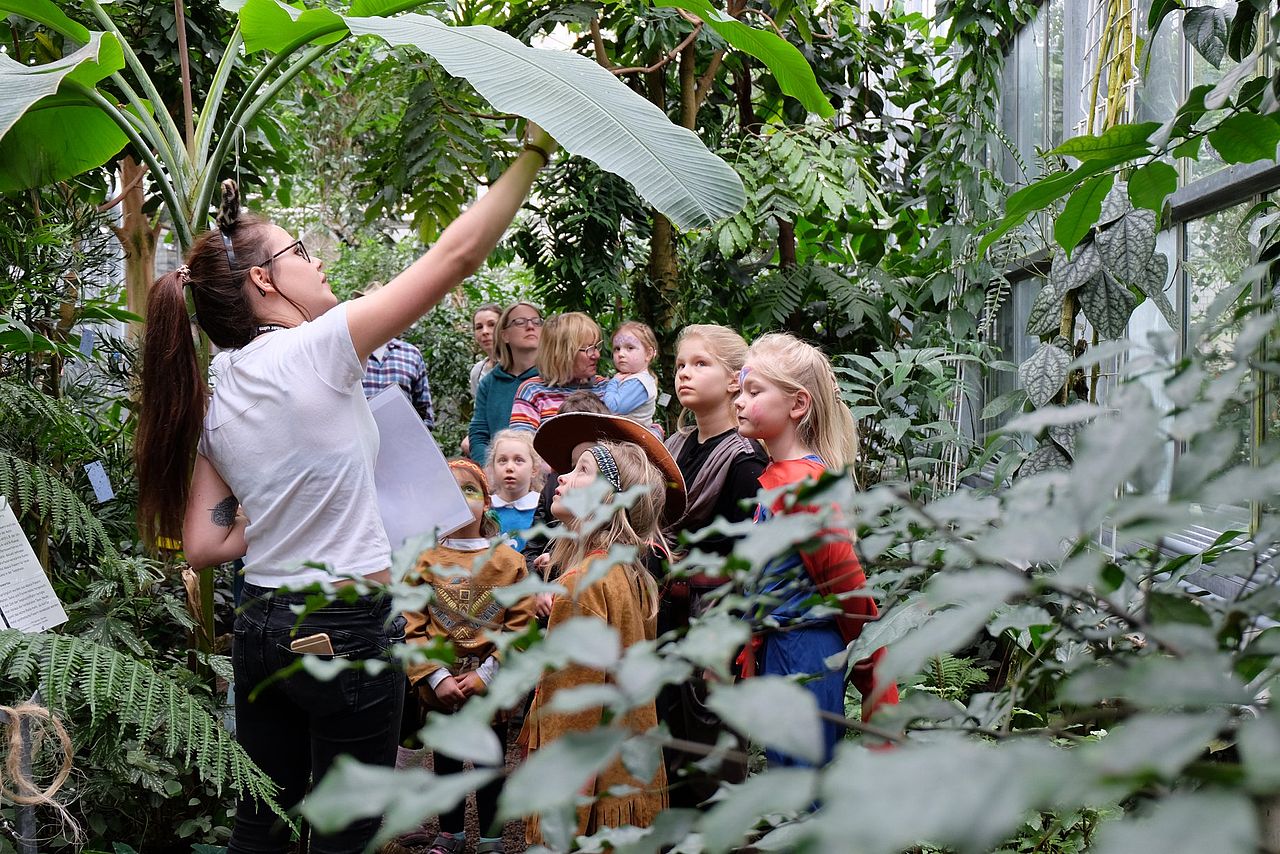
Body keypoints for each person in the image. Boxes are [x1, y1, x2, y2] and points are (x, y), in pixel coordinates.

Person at [134, 122, 557, 853]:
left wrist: (275, 507)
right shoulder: (316, 351)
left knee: (260, 825)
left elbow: (203, 544)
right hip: (347, 624)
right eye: (300, 251)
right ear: (264, 280)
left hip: (263, 625)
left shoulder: (218, 383)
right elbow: (458, 255)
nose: (318, 260)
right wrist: (534, 154)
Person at [734, 332, 898, 767]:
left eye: (754, 391)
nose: (739, 400)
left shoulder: (805, 488)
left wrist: (877, 681)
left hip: (807, 653)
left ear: (798, 404)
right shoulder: (781, 478)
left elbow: (849, 592)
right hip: (781, 651)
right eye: (740, 389)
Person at [521, 415, 686, 844]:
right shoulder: (627, 573)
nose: (563, 476)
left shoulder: (582, 584)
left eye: (583, 471)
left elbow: (575, 712)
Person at [399, 459, 535, 854]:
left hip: (489, 685)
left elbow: (521, 626)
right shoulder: (423, 562)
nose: (458, 500)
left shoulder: (509, 563)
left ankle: (492, 839)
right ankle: (450, 834)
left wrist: (488, 676)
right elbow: (412, 623)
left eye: (469, 490)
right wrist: (436, 677)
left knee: (491, 763)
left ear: (487, 502)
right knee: (445, 761)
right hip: (439, 685)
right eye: (447, 493)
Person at [658, 324, 767, 807]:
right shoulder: (670, 449)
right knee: (667, 734)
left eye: (701, 364)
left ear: (733, 381)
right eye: (681, 364)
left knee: (712, 739)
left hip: (715, 619)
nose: (685, 373)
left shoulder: (746, 461)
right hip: (665, 615)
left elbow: (750, 557)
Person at [469, 301, 543, 464]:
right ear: (504, 335)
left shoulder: (556, 378)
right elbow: (479, 434)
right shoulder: (489, 382)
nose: (530, 326)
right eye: (520, 322)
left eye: (536, 322)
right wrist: (488, 470)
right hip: (502, 476)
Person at [353, 281, 435, 428]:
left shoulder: (411, 354)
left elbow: (425, 413)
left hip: (403, 444)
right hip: (357, 446)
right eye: (370, 307)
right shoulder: (350, 352)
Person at [508, 312, 606, 433]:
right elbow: (521, 444)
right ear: (561, 354)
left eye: (596, 347)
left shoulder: (605, 387)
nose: (596, 355)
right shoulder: (532, 391)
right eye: (588, 349)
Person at [487, 429, 542, 551]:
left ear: (534, 469)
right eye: (502, 460)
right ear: (493, 467)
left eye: (518, 460)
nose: (509, 467)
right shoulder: (484, 507)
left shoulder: (542, 508)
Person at [601, 320, 659, 428]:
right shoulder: (636, 378)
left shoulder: (639, 382)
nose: (621, 354)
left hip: (630, 440)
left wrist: (613, 383)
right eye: (617, 349)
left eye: (630, 348)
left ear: (648, 354)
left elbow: (612, 408)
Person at [469, 302, 502, 397]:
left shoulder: (521, 364)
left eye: (491, 325)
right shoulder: (477, 371)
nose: (485, 332)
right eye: (479, 327)